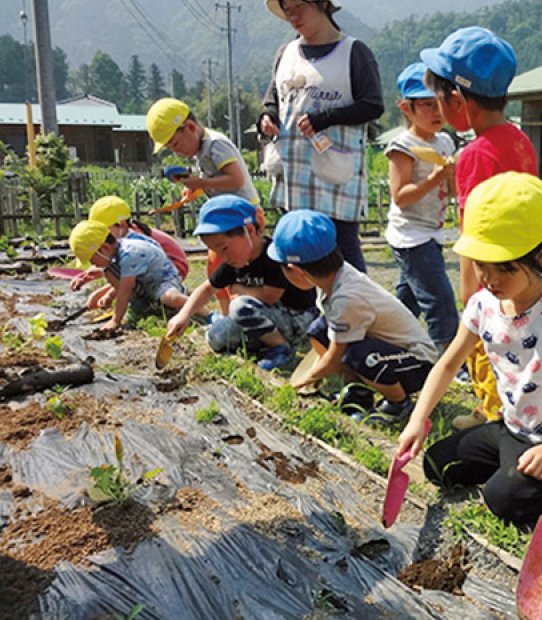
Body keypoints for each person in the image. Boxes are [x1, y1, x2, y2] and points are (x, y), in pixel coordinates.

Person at [395, 172, 542, 526]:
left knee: (501, 500)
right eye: (481, 266)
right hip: (512, 426)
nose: (489, 280)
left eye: (503, 270)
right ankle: (516, 470)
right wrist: (417, 419)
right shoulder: (482, 305)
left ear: (541, 256)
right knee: (436, 464)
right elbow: (448, 365)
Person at [421, 26, 539, 430]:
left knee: (486, 343)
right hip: (524, 263)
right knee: (519, 340)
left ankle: (492, 413)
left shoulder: (474, 155)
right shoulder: (520, 140)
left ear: (456, 100)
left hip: (490, 269)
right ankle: (509, 406)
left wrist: (470, 290)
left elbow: (475, 230)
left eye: (439, 99)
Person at [268, 209, 438, 422]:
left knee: (358, 354)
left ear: (296, 270)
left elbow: (334, 358)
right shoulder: (332, 278)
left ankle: (398, 404)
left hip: (418, 363)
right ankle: (359, 392)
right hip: (387, 350)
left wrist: (301, 381)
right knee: (320, 330)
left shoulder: (347, 297)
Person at [258, 0, 384, 274]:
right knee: (298, 257)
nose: (293, 16)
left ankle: (356, 302)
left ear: (323, 4)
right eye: (287, 10)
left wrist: (326, 118)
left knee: (343, 256)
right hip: (293, 175)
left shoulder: (353, 52)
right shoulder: (286, 53)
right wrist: (267, 117)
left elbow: (373, 106)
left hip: (334, 178)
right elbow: (273, 99)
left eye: (299, 7)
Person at [165, 196, 318, 370]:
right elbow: (207, 288)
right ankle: (261, 342)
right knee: (216, 337)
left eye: (224, 248)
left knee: (239, 306)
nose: (222, 257)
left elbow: (271, 296)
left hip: (298, 319)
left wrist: (241, 290)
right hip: (265, 318)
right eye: (216, 251)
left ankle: (281, 347)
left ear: (250, 230)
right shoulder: (234, 261)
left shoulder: (273, 255)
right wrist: (183, 315)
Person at [146, 97, 264, 314]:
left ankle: (244, 312)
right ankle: (227, 314)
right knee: (216, 270)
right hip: (225, 220)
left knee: (241, 269)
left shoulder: (216, 145)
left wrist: (201, 183)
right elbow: (215, 180)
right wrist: (195, 188)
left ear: (190, 127)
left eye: (175, 144)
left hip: (243, 218)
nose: (176, 151)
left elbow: (235, 180)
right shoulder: (202, 150)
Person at [384, 61, 458, 357]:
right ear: (407, 108)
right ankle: (449, 359)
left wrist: (453, 177)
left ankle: (389, 340)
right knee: (440, 299)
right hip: (410, 235)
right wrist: (436, 177)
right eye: (427, 105)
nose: (437, 112)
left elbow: (451, 191)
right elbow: (401, 197)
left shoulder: (445, 142)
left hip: (433, 231)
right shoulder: (403, 146)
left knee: (409, 299)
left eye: (441, 103)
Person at [68, 220, 197, 331]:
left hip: (162, 282)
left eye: (91, 259)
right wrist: (107, 295)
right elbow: (121, 283)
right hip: (147, 287)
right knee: (109, 272)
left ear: (105, 248)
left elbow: (125, 290)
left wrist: (115, 321)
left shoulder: (130, 254)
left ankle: (201, 310)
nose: (92, 263)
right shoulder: (115, 255)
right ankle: (145, 308)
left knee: (169, 298)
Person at [70, 196, 190, 298]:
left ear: (121, 224)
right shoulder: (124, 236)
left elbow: (129, 273)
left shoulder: (133, 242)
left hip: (173, 268)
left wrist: (107, 293)